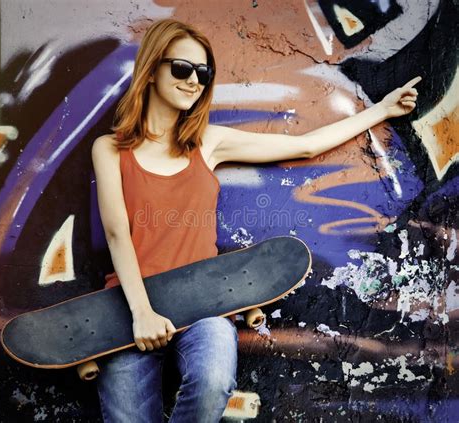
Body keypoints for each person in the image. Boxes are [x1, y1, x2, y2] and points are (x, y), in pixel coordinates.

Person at [91, 18, 421, 423]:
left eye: (203, 73)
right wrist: (141, 313)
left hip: (204, 303)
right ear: (152, 69)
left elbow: (304, 147)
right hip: (125, 310)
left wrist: (382, 110)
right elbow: (116, 232)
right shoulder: (110, 149)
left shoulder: (207, 142)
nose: (194, 80)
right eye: (181, 68)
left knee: (213, 380)